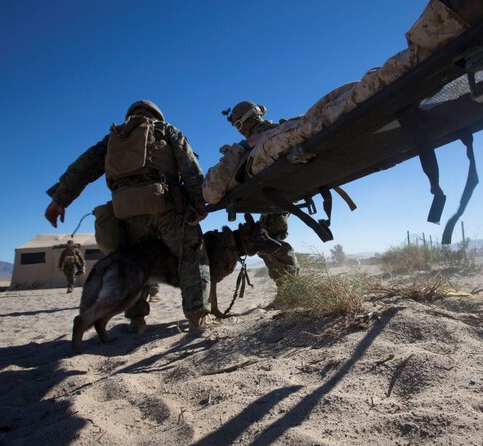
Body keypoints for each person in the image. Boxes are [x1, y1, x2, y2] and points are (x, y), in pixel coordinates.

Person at [45, 100, 210, 331]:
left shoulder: (112, 139)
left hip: (126, 213)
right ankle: (197, 316)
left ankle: (136, 319)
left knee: (136, 264)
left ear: (129, 116)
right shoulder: (165, 130)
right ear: (157, 116)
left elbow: (82, 167)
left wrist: (59, 200)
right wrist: (199, 201)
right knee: (191, 255)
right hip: (167, 208)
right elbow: (189, 165)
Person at [225, 101, 300, 285]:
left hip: (278, 194)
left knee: (269, 240)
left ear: (245, 121)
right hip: (277, 194)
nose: (238, 130)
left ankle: (291, 288)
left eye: (237, 125)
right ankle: (288, 287)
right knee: (266, 240)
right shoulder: (271, 132)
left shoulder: (263, 134)